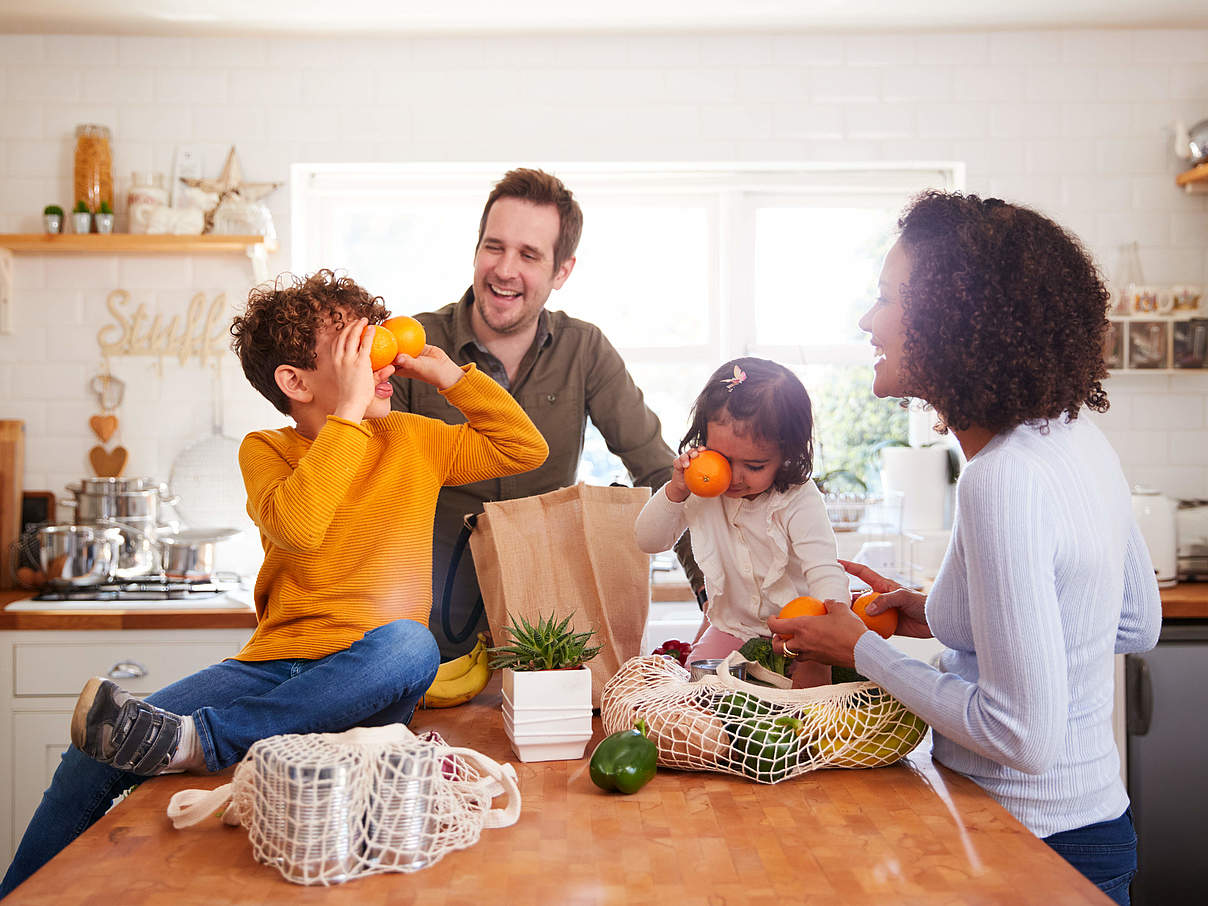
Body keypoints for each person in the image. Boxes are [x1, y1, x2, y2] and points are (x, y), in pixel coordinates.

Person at [0, 270, 548, 898]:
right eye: (354, 348)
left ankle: (202, 741)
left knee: (411, 645)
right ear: (294, 381)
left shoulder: (414, 439)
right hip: (275, 667)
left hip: (367, 675)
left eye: (376, 341)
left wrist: (451, 375)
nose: (381, 358)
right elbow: (302, 526)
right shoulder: (266, 450)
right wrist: (348, 410)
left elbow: (523, 449)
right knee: (91, 752)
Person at [766, 192, 1162, 905]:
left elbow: (1021, 737)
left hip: (1030, 850)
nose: (868, 320)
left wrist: (862, 651)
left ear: (954, 320)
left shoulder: (1000, 480)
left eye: (888, 298)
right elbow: (1134, 620)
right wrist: (946, 613)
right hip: (1095, 831)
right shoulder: (1072, 437)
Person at [390, 167, 702, 659]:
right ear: (476, 250)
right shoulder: (414, 346)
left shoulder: (585, 350)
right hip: (422, 622)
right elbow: (368, 491)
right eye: (494, 247)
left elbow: (665, 475)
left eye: (529, 254)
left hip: (545, 626)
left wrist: (715, 603)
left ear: (562, 271)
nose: (505, 269)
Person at [634, 357, 849, 688]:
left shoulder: (798, 498)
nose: (734, 477)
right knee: (698, 691)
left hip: (801, 632)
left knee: (808, 704)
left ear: (787, 455)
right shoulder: (699, 485)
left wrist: (821, 650)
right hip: (734, 627)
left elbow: (825, 573)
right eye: (723, 458)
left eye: (755, 465)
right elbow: (649, 541)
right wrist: (675, 489)